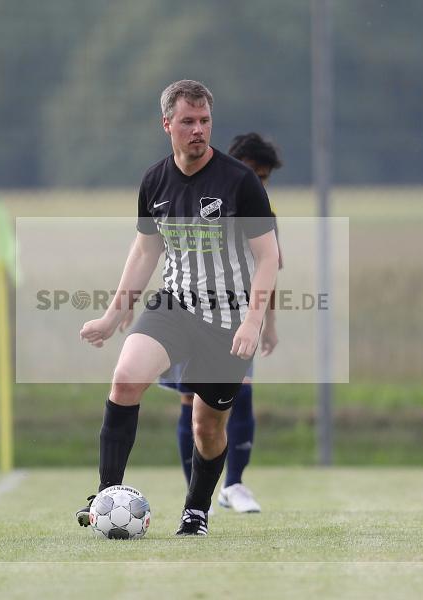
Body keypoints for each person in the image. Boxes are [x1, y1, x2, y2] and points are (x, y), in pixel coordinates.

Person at [76, 80, 279, 536]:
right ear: (167, 124)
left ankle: (196, 510)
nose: (198, 130)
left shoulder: (239, 181)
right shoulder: (154, 180)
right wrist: (113, 315)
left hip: (227, 319)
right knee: (126, 379)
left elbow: (268, 258)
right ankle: (107, 497)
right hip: (173, 305)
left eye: (204, 121)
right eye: (188, 121)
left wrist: (252, 320)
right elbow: (145, 251)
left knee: (206, 427)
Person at [153, 133, 283, 514]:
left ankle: (235, 484)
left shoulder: (262, 212)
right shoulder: (204, 198)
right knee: (191, 400)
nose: (258, 183)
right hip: (187, 313)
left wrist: (268, 324)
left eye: (264, 177)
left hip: (237, 317)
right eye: (253, 173)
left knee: (240, 394)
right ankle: (198, 495)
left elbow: (269, 267)